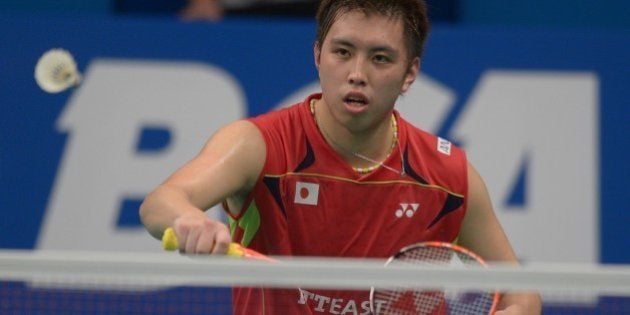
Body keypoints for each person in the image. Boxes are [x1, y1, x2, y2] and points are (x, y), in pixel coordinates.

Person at [140, 0, 542, 313]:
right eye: (343, 52)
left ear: (410, 73)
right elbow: (160, 204)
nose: (357, 73)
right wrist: (187, 218)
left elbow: (522, 294)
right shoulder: (260, 146)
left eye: (380, 58)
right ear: (318, 54)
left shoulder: (447, 177)